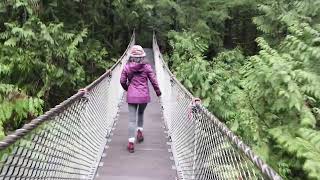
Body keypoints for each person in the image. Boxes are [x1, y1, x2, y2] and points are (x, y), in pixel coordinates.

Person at [120, 45, 162, 153]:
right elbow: (154, 81)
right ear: (142, 57)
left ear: (132, 57)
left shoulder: (127, 67)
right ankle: (139, 131)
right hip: (143, 96)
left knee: (131, 120)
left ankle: (131, 143)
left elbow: (122, 81)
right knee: (140, 114)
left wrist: (127, 89)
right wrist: (158, 93)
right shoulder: (147, 67)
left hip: (132, 96)